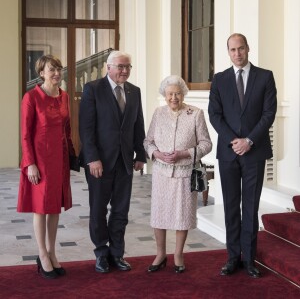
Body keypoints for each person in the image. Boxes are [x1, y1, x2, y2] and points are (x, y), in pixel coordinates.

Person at [208, 33, 277, 278]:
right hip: (228, 153)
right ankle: (231, 258)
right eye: (233, 50)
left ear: (248, 49)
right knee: (229, 206)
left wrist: (248, 141)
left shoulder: (265, 77)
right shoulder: (219, 79)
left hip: (254, 152)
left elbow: (269, 113)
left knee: (250, 207)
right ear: (228, 52)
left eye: (241, 49)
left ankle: (249, 259)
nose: (237, 53)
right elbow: (215, 114)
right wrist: (233, 141)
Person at [79, 50, 146, 273]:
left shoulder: (134, 91)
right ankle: (101, 253)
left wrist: (140, 155)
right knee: (98, 210)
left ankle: (117, 254)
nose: (124, 71)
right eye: (120, 66)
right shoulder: (93, 89)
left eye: (128, 67)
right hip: (100, 163)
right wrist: (92, 159)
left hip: (125, 161)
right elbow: (86, 129)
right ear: (108, 67)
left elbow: (138, 124)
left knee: (120, 211)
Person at [144, 75, 212, 273]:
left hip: (185, 173)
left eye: (177, 93)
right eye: (170, 94)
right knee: (159, 214)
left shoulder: (195, 113)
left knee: (182, 214)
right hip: (161, 174)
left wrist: (185, 154)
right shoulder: (158, 113)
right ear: (164, 96)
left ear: (183, 94)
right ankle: (160, 254)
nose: (174, 97)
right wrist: (155, 153)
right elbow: (148, 141)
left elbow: (206, 144)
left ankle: (179, 254)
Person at [17, 55, 76, 279]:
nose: (57, 74)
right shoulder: (31, 97)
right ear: (41, 73)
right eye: (52, 70)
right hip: (39, 162)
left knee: (54, 208)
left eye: (59, 69)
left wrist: (71, 155)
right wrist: (29, 163)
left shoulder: (64, 97)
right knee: (41, 208)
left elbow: (67, 129)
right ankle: (42, 254)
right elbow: (24, 135)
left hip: (59, 160)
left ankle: (52, 252)